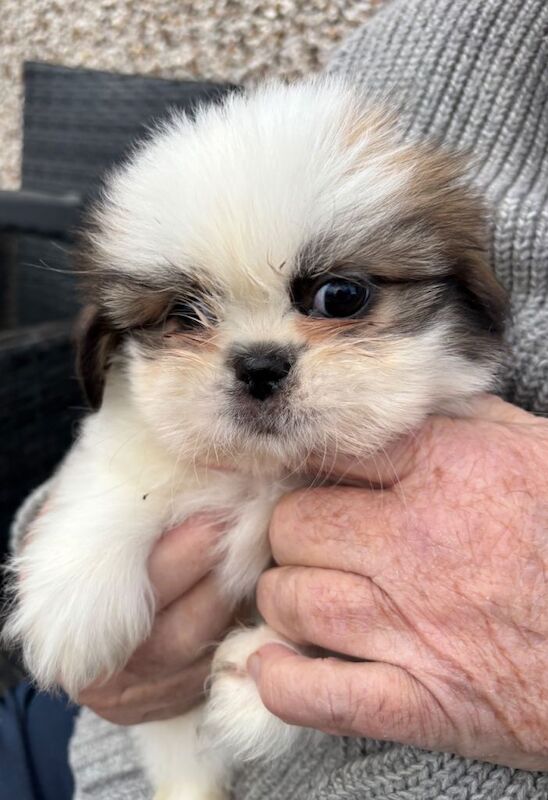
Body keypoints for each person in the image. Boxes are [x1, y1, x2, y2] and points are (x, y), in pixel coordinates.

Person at [3, 0, 548, 797]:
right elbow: (114, 440)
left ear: (471, 293)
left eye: (340, 299)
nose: (259, 362)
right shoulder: (424, 41)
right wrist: (80, 540)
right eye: (186, 316)